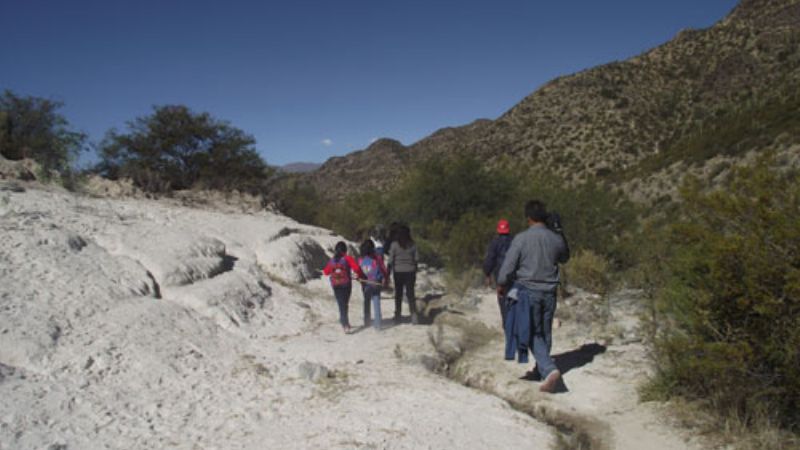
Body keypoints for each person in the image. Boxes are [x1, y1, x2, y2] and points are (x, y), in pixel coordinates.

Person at [497, 200, 569, 393]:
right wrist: (559, 230)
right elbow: (565, 257)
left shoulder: (521, 239)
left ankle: (550, 370)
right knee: (544, 332)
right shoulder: (555, 238)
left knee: (527, 332)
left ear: (528, 218)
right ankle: (541, 370)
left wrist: (502, 283)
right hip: (550, 291)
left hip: (528, 291)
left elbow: (508, 267)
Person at [323, 241, 366, 334]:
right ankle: (345, 324)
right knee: (344, 304)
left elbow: (326, 272)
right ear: (345, 250)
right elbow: (357, 268)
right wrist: (359, 276)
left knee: (341, 304)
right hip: (346, 285)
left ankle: (344, 321)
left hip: (336, 285)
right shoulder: (347, 258)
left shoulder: (332, 260)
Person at [483, 219, 513, 328]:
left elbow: (490, 260)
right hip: (515, 277)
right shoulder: (515, 241)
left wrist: (487, 274)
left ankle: (507, 324)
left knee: (502, 299)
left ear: (498, 230)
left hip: (500, 276)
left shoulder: (494, 243)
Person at [389, 225, 419, 324]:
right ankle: (414, 315)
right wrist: (415, 270)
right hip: (410, 271)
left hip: (398, 272)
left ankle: (398, 316)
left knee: (398, 294)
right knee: (411, 294)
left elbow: (390, 260)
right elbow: (416, 259)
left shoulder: (394, 245)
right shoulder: (413, 244)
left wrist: (388, 273)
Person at [358, 239, 390, 329]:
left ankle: (366, 321)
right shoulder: (377, 258)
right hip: (376, 283)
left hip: (365, 284)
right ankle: (378, 324)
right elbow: (383, 269)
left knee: (366, 301)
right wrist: (386, 279)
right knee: (376, 302)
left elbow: (359, 272)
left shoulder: (360, 259)